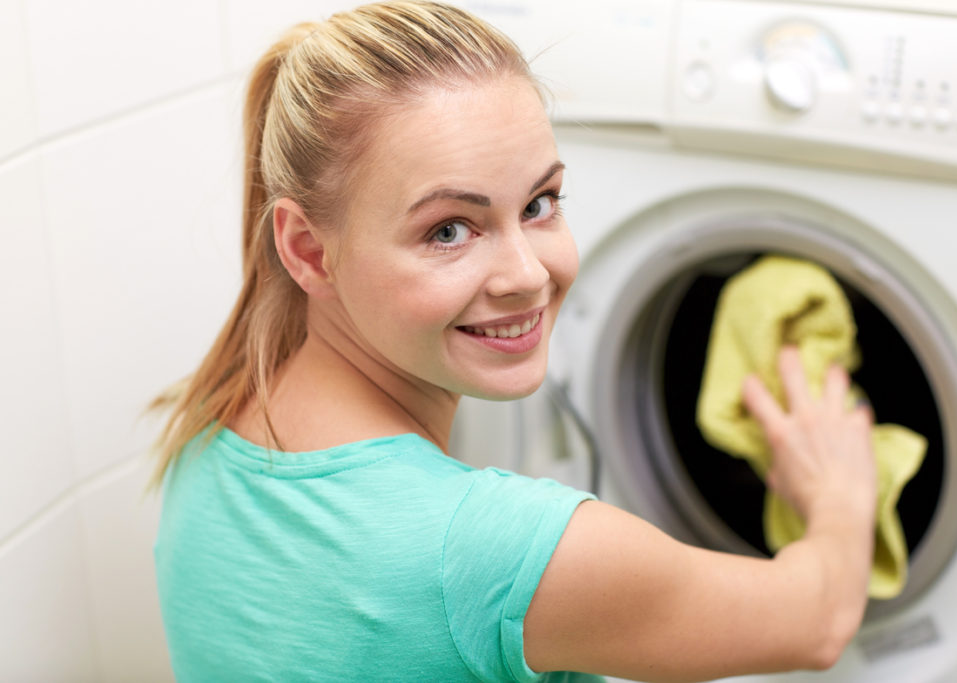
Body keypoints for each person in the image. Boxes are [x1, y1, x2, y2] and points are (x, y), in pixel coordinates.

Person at [150, 2, 878, 681]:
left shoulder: (212, 431)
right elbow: (818, 619)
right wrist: (840, 489)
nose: (529, 275)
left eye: (539, 203)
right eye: (449, 230)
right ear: (307, 250)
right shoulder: (499, 549)